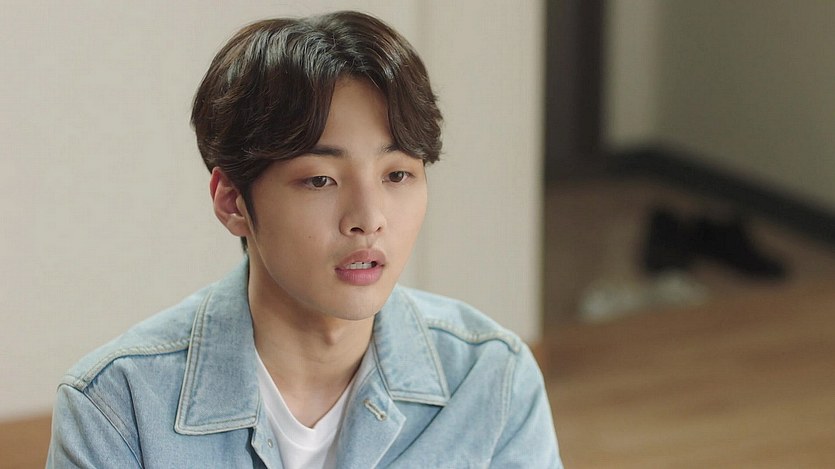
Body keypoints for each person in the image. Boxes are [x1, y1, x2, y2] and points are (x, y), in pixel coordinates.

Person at [47, 11, 561, 468]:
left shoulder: (491, 379)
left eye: (397, 174)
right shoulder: (118, 407)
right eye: (320, 180)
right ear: (233, 201)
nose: (368, 219)